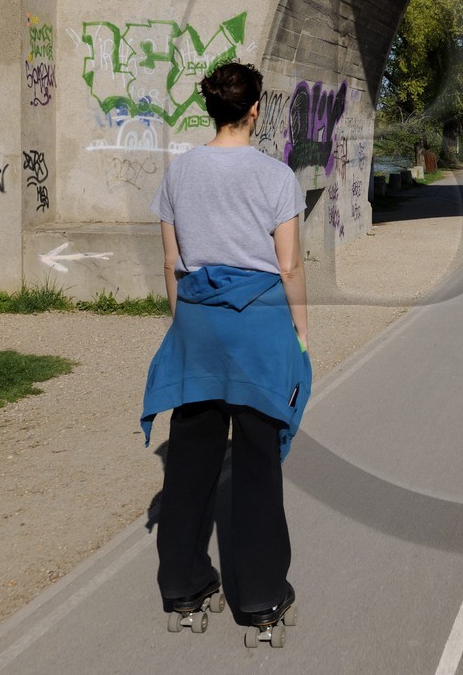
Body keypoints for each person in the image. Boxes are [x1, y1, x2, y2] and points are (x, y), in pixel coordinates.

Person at [140, 61, 310, 631]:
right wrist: (302, 330)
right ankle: (260, 595)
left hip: (197, 327)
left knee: (190, 459)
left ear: (211, 108)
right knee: (258, 463)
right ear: (256, 109)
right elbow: (288, 265)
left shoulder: (179, 174)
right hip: (257, 328)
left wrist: (182, 324)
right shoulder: (275, 176)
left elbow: (171, 261)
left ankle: (183, 585)